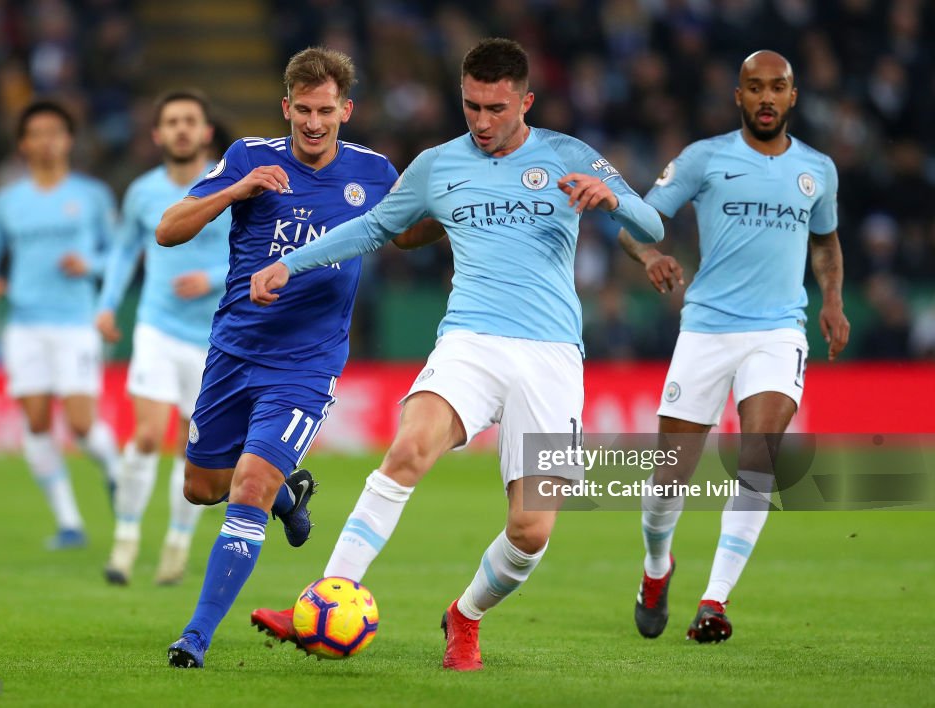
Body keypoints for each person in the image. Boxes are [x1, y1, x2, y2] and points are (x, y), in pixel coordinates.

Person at [248, 38, 663, 671]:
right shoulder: (438, 165)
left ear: (525, 100)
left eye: (496, 109)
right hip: (469, 340)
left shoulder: (568, 155)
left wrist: (614, 200)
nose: (483, 122)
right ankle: (320, 599)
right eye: (471, 106)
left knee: (531, 533)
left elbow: (652, 225)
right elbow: (375, 227)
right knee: (407, 449)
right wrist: (290, 264)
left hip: (551, 354)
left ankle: (464, 616)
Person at [155, 47, 440, 669]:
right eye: (303, 111)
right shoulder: (250, 158)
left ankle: (195, 637)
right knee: (203, 488)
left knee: (249, 485)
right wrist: (237, 189)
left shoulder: (372, 171)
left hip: (306, 365)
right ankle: (290, 496)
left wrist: (451, 210)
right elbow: (169, 228)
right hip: (234, 351)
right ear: (286, 107)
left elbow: (410, 231)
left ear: (347, 110)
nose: (314, 123)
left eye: (326, 111)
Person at [618, 50, 851, 643]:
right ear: (739, 97)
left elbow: (825, 242)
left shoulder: (817, 170)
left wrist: (831, 300)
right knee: (670, 477)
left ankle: (713, 602)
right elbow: (636, 223)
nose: (766, 97)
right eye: (755, 88)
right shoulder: (705, 158)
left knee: (760, 460)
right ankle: (655, 568)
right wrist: (652, 254)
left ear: (793, 96)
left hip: (778, 330)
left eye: (777, 87)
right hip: (707, 328)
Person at [0, 100, 121, 550]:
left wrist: (89, 263)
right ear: (23, 144)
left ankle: (113, 469)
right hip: (24, 324)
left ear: (69, 140)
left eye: (56, 131)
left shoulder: (92, 196)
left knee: (79, 424)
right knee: (35, 423)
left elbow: (118, 252)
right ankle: (69, 523)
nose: (47, 140)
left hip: (75, 322)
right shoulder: (7, 201)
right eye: (37, 132)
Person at [96, 89, 231, 586]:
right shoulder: (142, 193)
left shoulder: (229, 185)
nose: (180, 129)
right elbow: (123, 250)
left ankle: (176, 544)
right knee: (148, 435)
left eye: (189, 120)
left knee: (194, 452)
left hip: (217, 339)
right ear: (157, 134)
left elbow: (255, 252)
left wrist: (211, 278)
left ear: (205, 131)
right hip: (158, 326)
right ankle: (125, 542)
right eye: (171, 121)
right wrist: (106, 304)